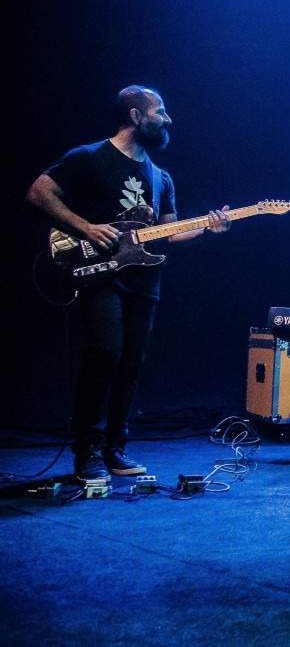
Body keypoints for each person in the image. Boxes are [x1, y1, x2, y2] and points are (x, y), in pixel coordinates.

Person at [27, 86, 231, 482]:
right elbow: (39, 192)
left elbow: (167, 234)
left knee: (130, 363)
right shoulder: (89, 158)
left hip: (143, 281)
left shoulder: (161, 177)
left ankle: (114, 449)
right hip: (99, 275)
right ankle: (86, 450)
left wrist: (208, 226)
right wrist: (85, 227)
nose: (168, 120)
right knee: (104, 353)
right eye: (161, 112)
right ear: (136, 116)